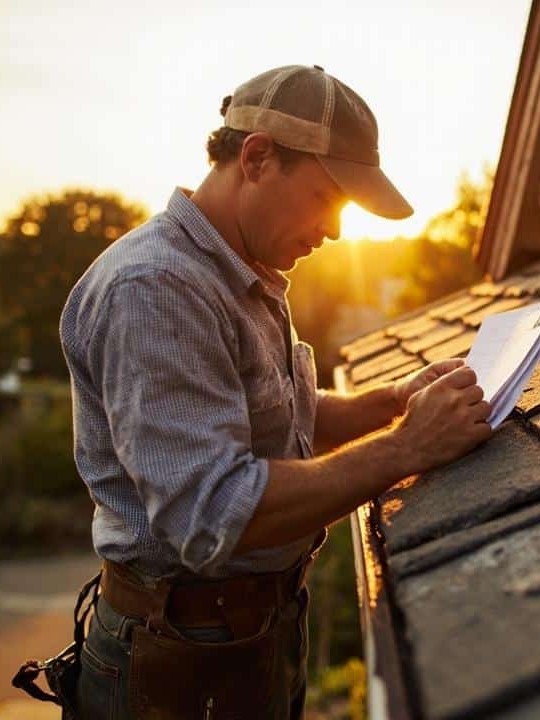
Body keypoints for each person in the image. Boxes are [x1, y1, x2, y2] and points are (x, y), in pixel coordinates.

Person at [45, 65, 492, 718]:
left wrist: (392, 401)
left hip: (245, 635)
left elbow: (286, 418)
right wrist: (406, 446)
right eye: (325, 198)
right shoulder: (156, 290)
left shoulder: (243, 271)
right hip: (180, 660)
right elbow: (215, 509)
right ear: (256, 157)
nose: (337, 230)